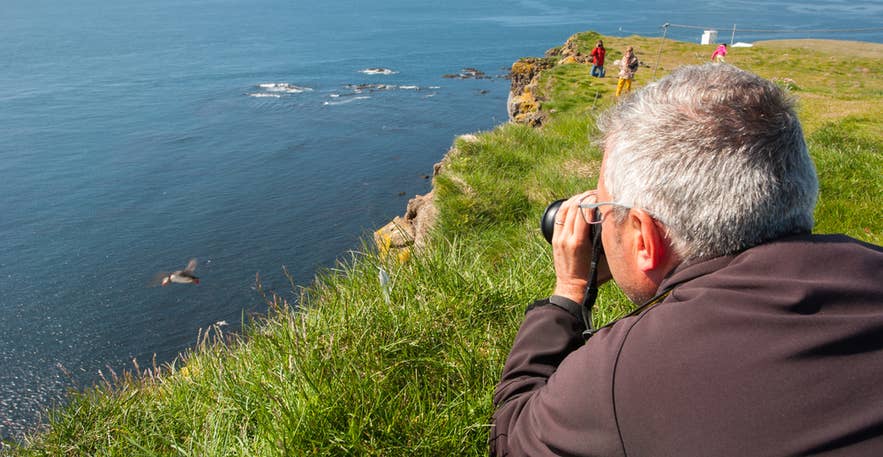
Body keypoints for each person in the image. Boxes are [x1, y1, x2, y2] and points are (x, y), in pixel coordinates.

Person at [490, 64, 883, 456]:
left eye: (605, 209)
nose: (601, 220)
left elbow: (514, 436)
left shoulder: (625, 372)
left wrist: (570, 292)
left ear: (644, 239)